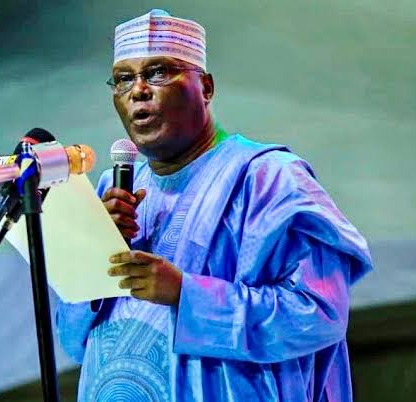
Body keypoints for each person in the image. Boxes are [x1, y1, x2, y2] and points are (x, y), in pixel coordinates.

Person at [54, 9, 373, 402]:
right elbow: (72, 340)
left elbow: (318, 315)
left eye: (158, 72)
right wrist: (92, 264)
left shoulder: (270, 178)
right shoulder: (114, 187)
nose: (138, 90)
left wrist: (186, 294)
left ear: (205, 87)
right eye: (123, 79)